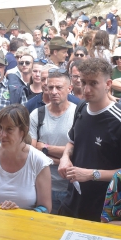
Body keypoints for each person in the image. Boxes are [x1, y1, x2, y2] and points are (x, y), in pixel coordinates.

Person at [58, 58, 121, 221]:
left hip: (105, 207)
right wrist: (65, 158)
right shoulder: (81, 107)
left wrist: (92, 174)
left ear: (108, 84)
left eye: (93, 83)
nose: (86, 89)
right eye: (83, 82)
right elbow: (72, 141)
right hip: (73, 199)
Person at [0, 104, 52, 212]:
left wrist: (18, 213)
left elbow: (46, 208)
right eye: (0, 128)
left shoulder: (39, 161)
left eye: (9, 129)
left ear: (23, 131)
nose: (2, 134)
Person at [29, 70, 75, 213]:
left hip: (71, 186)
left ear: (69, 89)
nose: (54, 92)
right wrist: (62, 159)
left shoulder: (79, 114)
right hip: (43, 186)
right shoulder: (37, 114)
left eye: (59, 87)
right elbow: (31, 151)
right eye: (50, 87)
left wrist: (45, 147)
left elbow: (80, 150)